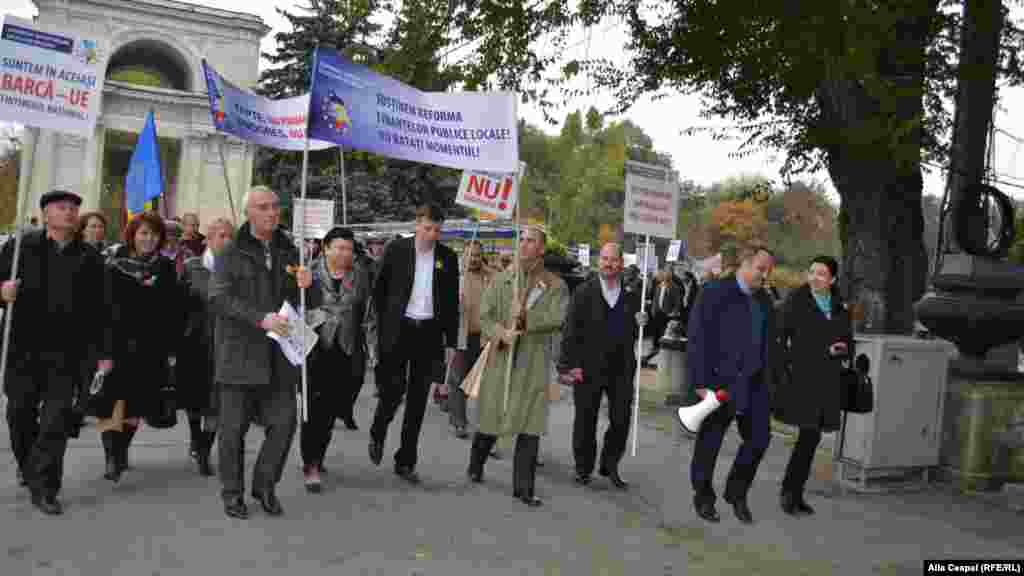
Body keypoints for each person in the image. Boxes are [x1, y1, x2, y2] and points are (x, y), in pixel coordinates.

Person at [0, 190, 112, 515]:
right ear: (46, 214)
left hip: (67, 355)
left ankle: (47, 487)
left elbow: (103, 310)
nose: (70, 213)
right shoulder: (20, 247)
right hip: (23, 351)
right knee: (19, 415)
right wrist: (2, 291)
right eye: (62, 208)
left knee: (56, 421)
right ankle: (29, 465)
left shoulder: (90, 257)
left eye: (74, 208)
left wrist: (103, 353)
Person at [210, 186, 315, 518]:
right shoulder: (230, 252)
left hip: (280, 356)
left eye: (275, 206)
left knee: (284, 424)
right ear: (248, 213)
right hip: (239, 355)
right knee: (232, 432)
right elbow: (219, 298)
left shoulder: (290, 251)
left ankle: (265, 485)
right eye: (263, 207)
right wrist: (260, 318)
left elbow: (302, 303)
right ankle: (232, 494)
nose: (272, 212)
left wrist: (306, 285)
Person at [466, 223, 568, 507]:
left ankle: (524, 488)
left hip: (533, 363)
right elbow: (485, 316)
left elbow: (557, 318)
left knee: (530, 425)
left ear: (541, 248)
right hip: (501, 359)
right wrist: (501, 332)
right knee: (492, 417)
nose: (524, 243)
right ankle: (476, 463)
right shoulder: (502, 280)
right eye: (521, 239)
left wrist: (524, 318)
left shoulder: (555, 285)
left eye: (530, 240)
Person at [681, 245, 778, 524]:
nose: (765, 275)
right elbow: (697, 338)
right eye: (761, 269)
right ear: (745, 264)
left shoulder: (764, 300)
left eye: (768, 270)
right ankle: (703, 496)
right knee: (710, 441)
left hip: (754, 384)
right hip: (719, 383)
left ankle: (737, 493)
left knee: (759, 439)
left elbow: (768, 342)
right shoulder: (714, 292)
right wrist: (700, 382)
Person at [368, 203, 459, 484]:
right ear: (417, 224)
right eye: (428, 228)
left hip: (429, 333)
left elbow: (451, 302)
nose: (432, 235)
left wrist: (451, 341)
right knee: (393, 392)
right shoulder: (397, 250)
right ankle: (378, 430)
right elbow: (379, 290)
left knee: (418, 400)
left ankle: (406, 460)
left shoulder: (448, 257)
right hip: (399, 330)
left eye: (437, 230)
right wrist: (383, 327)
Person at [99, 211, 182, 483]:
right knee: (111, 402)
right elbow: (102, 307)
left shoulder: (165, 267)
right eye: (144, 233)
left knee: (136, 404)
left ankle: (121, 450)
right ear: (132, 235)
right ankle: (112, 455)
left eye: (154, 234)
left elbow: (172, 309)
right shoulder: (113, 263)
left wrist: (171, 349)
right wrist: (103, 350)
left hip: (150, 347)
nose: (149, 239)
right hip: (115, 343)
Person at [560, 243, 645, 490]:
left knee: (621, 419)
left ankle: (610, 464)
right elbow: (570, 330)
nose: (609, 264)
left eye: (614, 260)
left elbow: (635, 333)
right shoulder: (583, 292)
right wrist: (570, 364)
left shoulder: (632, 297)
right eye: (605, 259)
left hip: (621, 368)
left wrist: (642, 322)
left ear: (621, 263)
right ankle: (583, 467)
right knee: (585, 419)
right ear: (599, 261)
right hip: (588, 366)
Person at [774, 255, 852, 516]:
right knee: (808, 435)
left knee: (812, 438)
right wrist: (813, 353)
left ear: (832, 279)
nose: (815, 278)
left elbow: (847, 338)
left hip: (828, 381)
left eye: (821, 274)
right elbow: (780, 339)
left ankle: (795, 493)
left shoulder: (839, 305)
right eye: (812, 272)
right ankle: (790, 493)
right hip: (803, 379)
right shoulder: (796, 301)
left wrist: (843, 348)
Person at [302, 227, 374, 492]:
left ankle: (319, 455)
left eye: (349, 249)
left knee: (331, 408)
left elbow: (367, 310)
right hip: (315, 346)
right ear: (326, 248)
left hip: (346, 346)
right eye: (340, 248)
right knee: (313, 409)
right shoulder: (309, 271)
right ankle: (310, 462)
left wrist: (371, 347)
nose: (345, 254)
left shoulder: (360, 274)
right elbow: (296, 305)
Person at [178, 217, 234, 477]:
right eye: (221, 235)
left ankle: (204, 449)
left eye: (230, 236)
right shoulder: (192, 268)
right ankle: (194, 436)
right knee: (194, 399)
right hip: (195, 344)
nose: (226, 241)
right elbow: (179, 308)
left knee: (216, 402)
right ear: (208, 239)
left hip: (226, 345)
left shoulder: (239, 271)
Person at [447, 240, 494, 439]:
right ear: (463, 256)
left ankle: (483, 423)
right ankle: (459, 422)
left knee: (481, 382)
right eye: (470, 255)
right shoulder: (454, 277)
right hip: (461, 335)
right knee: (458, 379)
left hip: (485, 336)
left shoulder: (491, 276)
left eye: (477, 255)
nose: (474, 258)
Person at [642, 270, 681, 367]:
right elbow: (655, 298)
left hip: (668, 313)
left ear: (670, 277)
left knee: (664, 332)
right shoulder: (659, 286)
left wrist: (675, 311)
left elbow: (677, 301)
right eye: (664, 276)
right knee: (656, 331)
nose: (664, 277)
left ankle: (663, 349)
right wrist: (653, 310)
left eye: (667, 276)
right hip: (657, 312)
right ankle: (655, 347)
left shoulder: (674, 287)